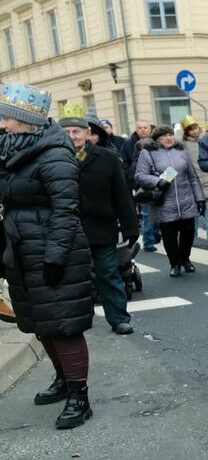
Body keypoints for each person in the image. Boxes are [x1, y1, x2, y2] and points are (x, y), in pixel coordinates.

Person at [0, 83, 95, 429]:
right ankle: (62, 379)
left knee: (63, 325)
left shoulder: (55, 153)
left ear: (25, 121)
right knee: (41, 324)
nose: (3, 124)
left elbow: (65, 210)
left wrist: (55, 257)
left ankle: (79, 396)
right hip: (22, 250)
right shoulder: (10, 150)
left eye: (7, 118)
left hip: (54, 251)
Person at [59, 105, 137, 335]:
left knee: (108, 273)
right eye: (67, 132)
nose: (72, 136)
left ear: (86, 133)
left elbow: (121, 195)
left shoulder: (107, 158)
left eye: (77, 131)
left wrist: (131, 227)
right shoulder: (55, 157)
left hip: (101, 226)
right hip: (68, 229)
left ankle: (119, 318)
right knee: (74, 278)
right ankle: (77, 321)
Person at [136, 125, 205, 278]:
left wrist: (199, 198)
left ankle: (185, 259)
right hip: (164, 202)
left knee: (188, 233)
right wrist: (157, 181)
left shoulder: (181, 151)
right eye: (165, 135)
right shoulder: (148, 153)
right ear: (157, 139)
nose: (169, 138)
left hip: (186, 199)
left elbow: (192, 177)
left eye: (171, 135)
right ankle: (175, 264)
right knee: (169, 236)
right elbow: (140, 175)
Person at [180, 118, 208, 245]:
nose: (194, 131)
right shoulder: (182, 145)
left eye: (195, 128)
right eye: (191, 129)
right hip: (191, 181)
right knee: (192, 212)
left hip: (205, 179)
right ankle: (191, 235)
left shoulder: (204, 141)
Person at [128, 120, 160, 251]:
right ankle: (148, 241)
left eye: (145, 127)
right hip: (146, 191)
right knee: (148, 217)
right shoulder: (138, 160)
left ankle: (154, 237)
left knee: (154, 216)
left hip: (156, 189)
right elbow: (134, 175)